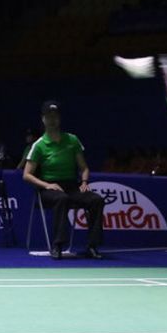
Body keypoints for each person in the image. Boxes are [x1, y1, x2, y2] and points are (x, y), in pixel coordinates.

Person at [23, 101, 104, 259]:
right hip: (47, 189)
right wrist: (48, 185)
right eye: (48, 117)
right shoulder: (39, 145)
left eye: (55, 116)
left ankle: (93, 246)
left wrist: (84, 182)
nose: (52, 120)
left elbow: (84, 168)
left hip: (72, 186)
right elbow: (26, 175)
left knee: (97, 200)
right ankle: (58, 245)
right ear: (43, 119)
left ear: (59, 119)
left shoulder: (72, 140)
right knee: (62, 198)